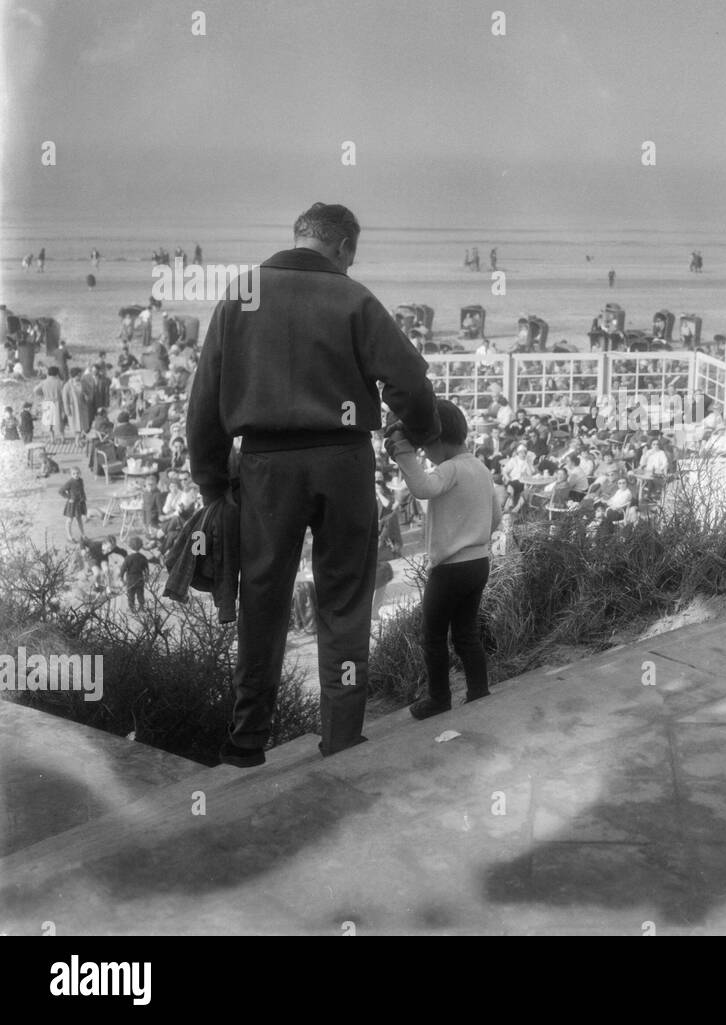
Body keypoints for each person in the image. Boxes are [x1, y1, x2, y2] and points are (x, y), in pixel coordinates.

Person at [188, 202, 438, 767]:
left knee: (263, 600)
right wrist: (419, 431)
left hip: (265, 468)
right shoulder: (354, 298)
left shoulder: (242, 293)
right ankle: (342, 736)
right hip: (343, 461)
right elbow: (410, 380)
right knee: (344, 600)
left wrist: (211, 482)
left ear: (299, 237)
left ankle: (246, 741)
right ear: (345, 247)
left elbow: (203, 400)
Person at [387, 399, 498, 719]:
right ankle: (479, 690)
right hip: (479, 562)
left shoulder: (450, 468)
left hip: (450, 568)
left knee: (432, 635)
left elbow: (422, 487)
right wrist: (475, 538)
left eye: (425, 447)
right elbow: (496, 517)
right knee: (466, 633)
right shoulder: (480, 467)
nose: (425, 454)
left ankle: (439, 698)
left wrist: (403, 452)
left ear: (437, 439)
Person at [122, 536, 152, 611]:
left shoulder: (128, 558)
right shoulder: (143, 557)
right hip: (140, 578)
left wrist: (121, 578)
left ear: (130, 546)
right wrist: (147, 577)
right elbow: (146, 569)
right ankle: (141, 607)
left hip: (130, 579)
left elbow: (123, 569)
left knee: (130, 594)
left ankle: (132, 608)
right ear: (141, 546)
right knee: (140, 593)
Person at [60, 467, 88, 541]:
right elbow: (61, 491)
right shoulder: (70, 482)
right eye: (74, 474)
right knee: (69, 520)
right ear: (71, 474)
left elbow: (82, 491)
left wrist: (83, 499)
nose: (76, 475)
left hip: (79, 504)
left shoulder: (81, 481)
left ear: (80, 473)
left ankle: (83, 535)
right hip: (72, 505)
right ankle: (69, 536)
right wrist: (69, 497)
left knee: (80, 520)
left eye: (77, 473)